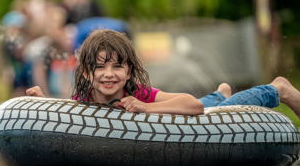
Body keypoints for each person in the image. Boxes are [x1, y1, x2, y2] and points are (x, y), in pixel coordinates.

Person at [26, 28, 300, 119]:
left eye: (117, 66)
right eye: (99, 67)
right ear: (85, 73)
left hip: (186, 108)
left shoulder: (137, 93)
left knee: (220, 112)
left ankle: (278, 88)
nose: (109, 74)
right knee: (211, 104)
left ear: (129, 70)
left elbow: (192, 106)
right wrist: (43, 101)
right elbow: (68, 110)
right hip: (183, 108)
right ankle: (218, 93)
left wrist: (145, 107)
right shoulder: (85, 96)